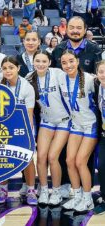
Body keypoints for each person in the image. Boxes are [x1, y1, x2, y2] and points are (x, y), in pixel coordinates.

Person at [26, 50, 70, 205]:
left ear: (50, 63)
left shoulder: (58, 74)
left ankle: (56, 191)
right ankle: (44, 189)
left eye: (44, 61)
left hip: (64, 121)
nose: (40, 64)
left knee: (53, 157)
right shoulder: (29, 78)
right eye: (37, 61)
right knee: (41, 156)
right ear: (33, 62)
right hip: (46, 121)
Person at [58, 50, 98, 212]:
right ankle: (78, 196)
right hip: (75, 124)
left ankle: (88, 198)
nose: (68, 65)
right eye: (64, 63)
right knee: (69, 161)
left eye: (71, 61)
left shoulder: (90, 80)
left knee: (81, 161)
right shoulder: (61, 79)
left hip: (90, 124)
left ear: (78, 61)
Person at [0, 56, 37, 205]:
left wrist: (26, 135)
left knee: (27, 159)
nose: (8, 71)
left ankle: (31, 190)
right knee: (3, 159)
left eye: (11, 67)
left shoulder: (26, 87)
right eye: (5, 68)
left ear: (18, 68)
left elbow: (29, 115)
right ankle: (3, 189)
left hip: (23, 127)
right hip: (3, 128)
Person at [94, 60, 105, 215]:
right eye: (101, 71)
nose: (104, 74)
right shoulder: (98, 88)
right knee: (102, 166)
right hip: (103, 133)